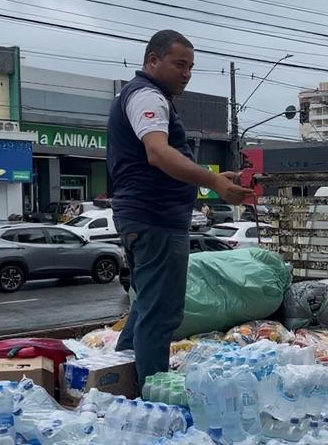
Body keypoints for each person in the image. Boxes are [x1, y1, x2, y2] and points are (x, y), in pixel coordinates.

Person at [107, 30, 251, 386]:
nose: (186, 74)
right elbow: (158, 153)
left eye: (191, 67)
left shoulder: (145, 96)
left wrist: (213, 178)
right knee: (162, 312)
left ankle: (119, 378)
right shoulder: (146, 96)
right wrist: (213, 181)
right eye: (179, 64)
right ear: (152, 61)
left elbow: (164, 158)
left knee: (147, 303)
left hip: (147, 216)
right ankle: (155, 395)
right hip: (154, 218)